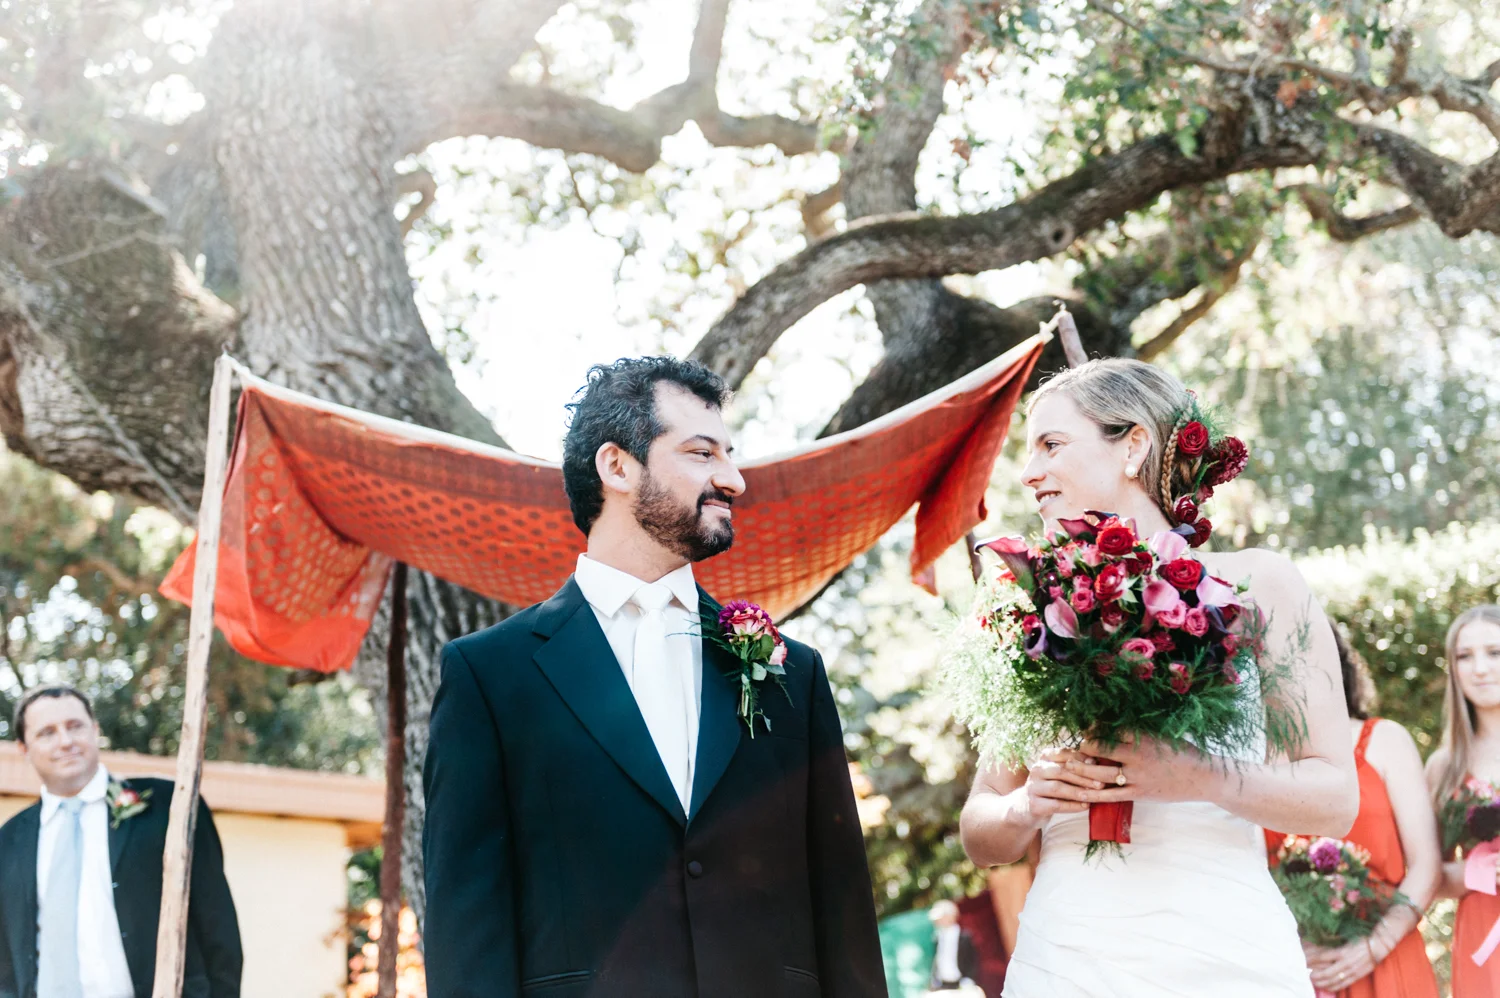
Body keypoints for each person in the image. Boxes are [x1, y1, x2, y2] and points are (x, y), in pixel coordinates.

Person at [422, 357, 886, 998]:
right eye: (702, 453)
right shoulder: (489, 676)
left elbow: (843, 903)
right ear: (617, 467)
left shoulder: (794, 672)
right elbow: (465, 923)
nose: (734, 480)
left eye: (729, 455)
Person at [958, 358, 1359, 997]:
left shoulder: (1261, 584)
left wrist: (1200, 775)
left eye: (1051, 445)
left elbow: (1336, 801)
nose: (1029, 472)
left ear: (1133, 446)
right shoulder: (1026, 604)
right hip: (1068, 954)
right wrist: (1025, 805)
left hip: (1227, 950)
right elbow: (981, 833)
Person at [0, 685, 242, 998]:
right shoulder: (9, 840)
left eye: (75, 726)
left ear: (95, 730)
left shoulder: (169, 806)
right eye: (47, 733)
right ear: (23, 748)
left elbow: (217, 926)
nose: (66, 741)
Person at [1265, 627, 1440, 997]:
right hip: (1292, 965)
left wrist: (1374, 946)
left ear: (1337, 661)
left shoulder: (1386, 740)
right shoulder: (1255, 759)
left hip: (1386, 956)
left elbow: (1426, 866)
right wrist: (1290, 946)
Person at [1426, 604, 1500, 996]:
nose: (1480, 669)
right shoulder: (1445, 766)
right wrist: (1484, 869)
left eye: (1494, 652)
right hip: (1482, 932)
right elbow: (1430, 875)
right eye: (1465, 656)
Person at [927, 900, 980, 993]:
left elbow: (973, 960)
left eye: (941, 917)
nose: (937, 921)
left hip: (962, 985)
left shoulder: (965, 937)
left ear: (951, 916)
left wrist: (969, 979)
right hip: (943, 985)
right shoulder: (937, 938)